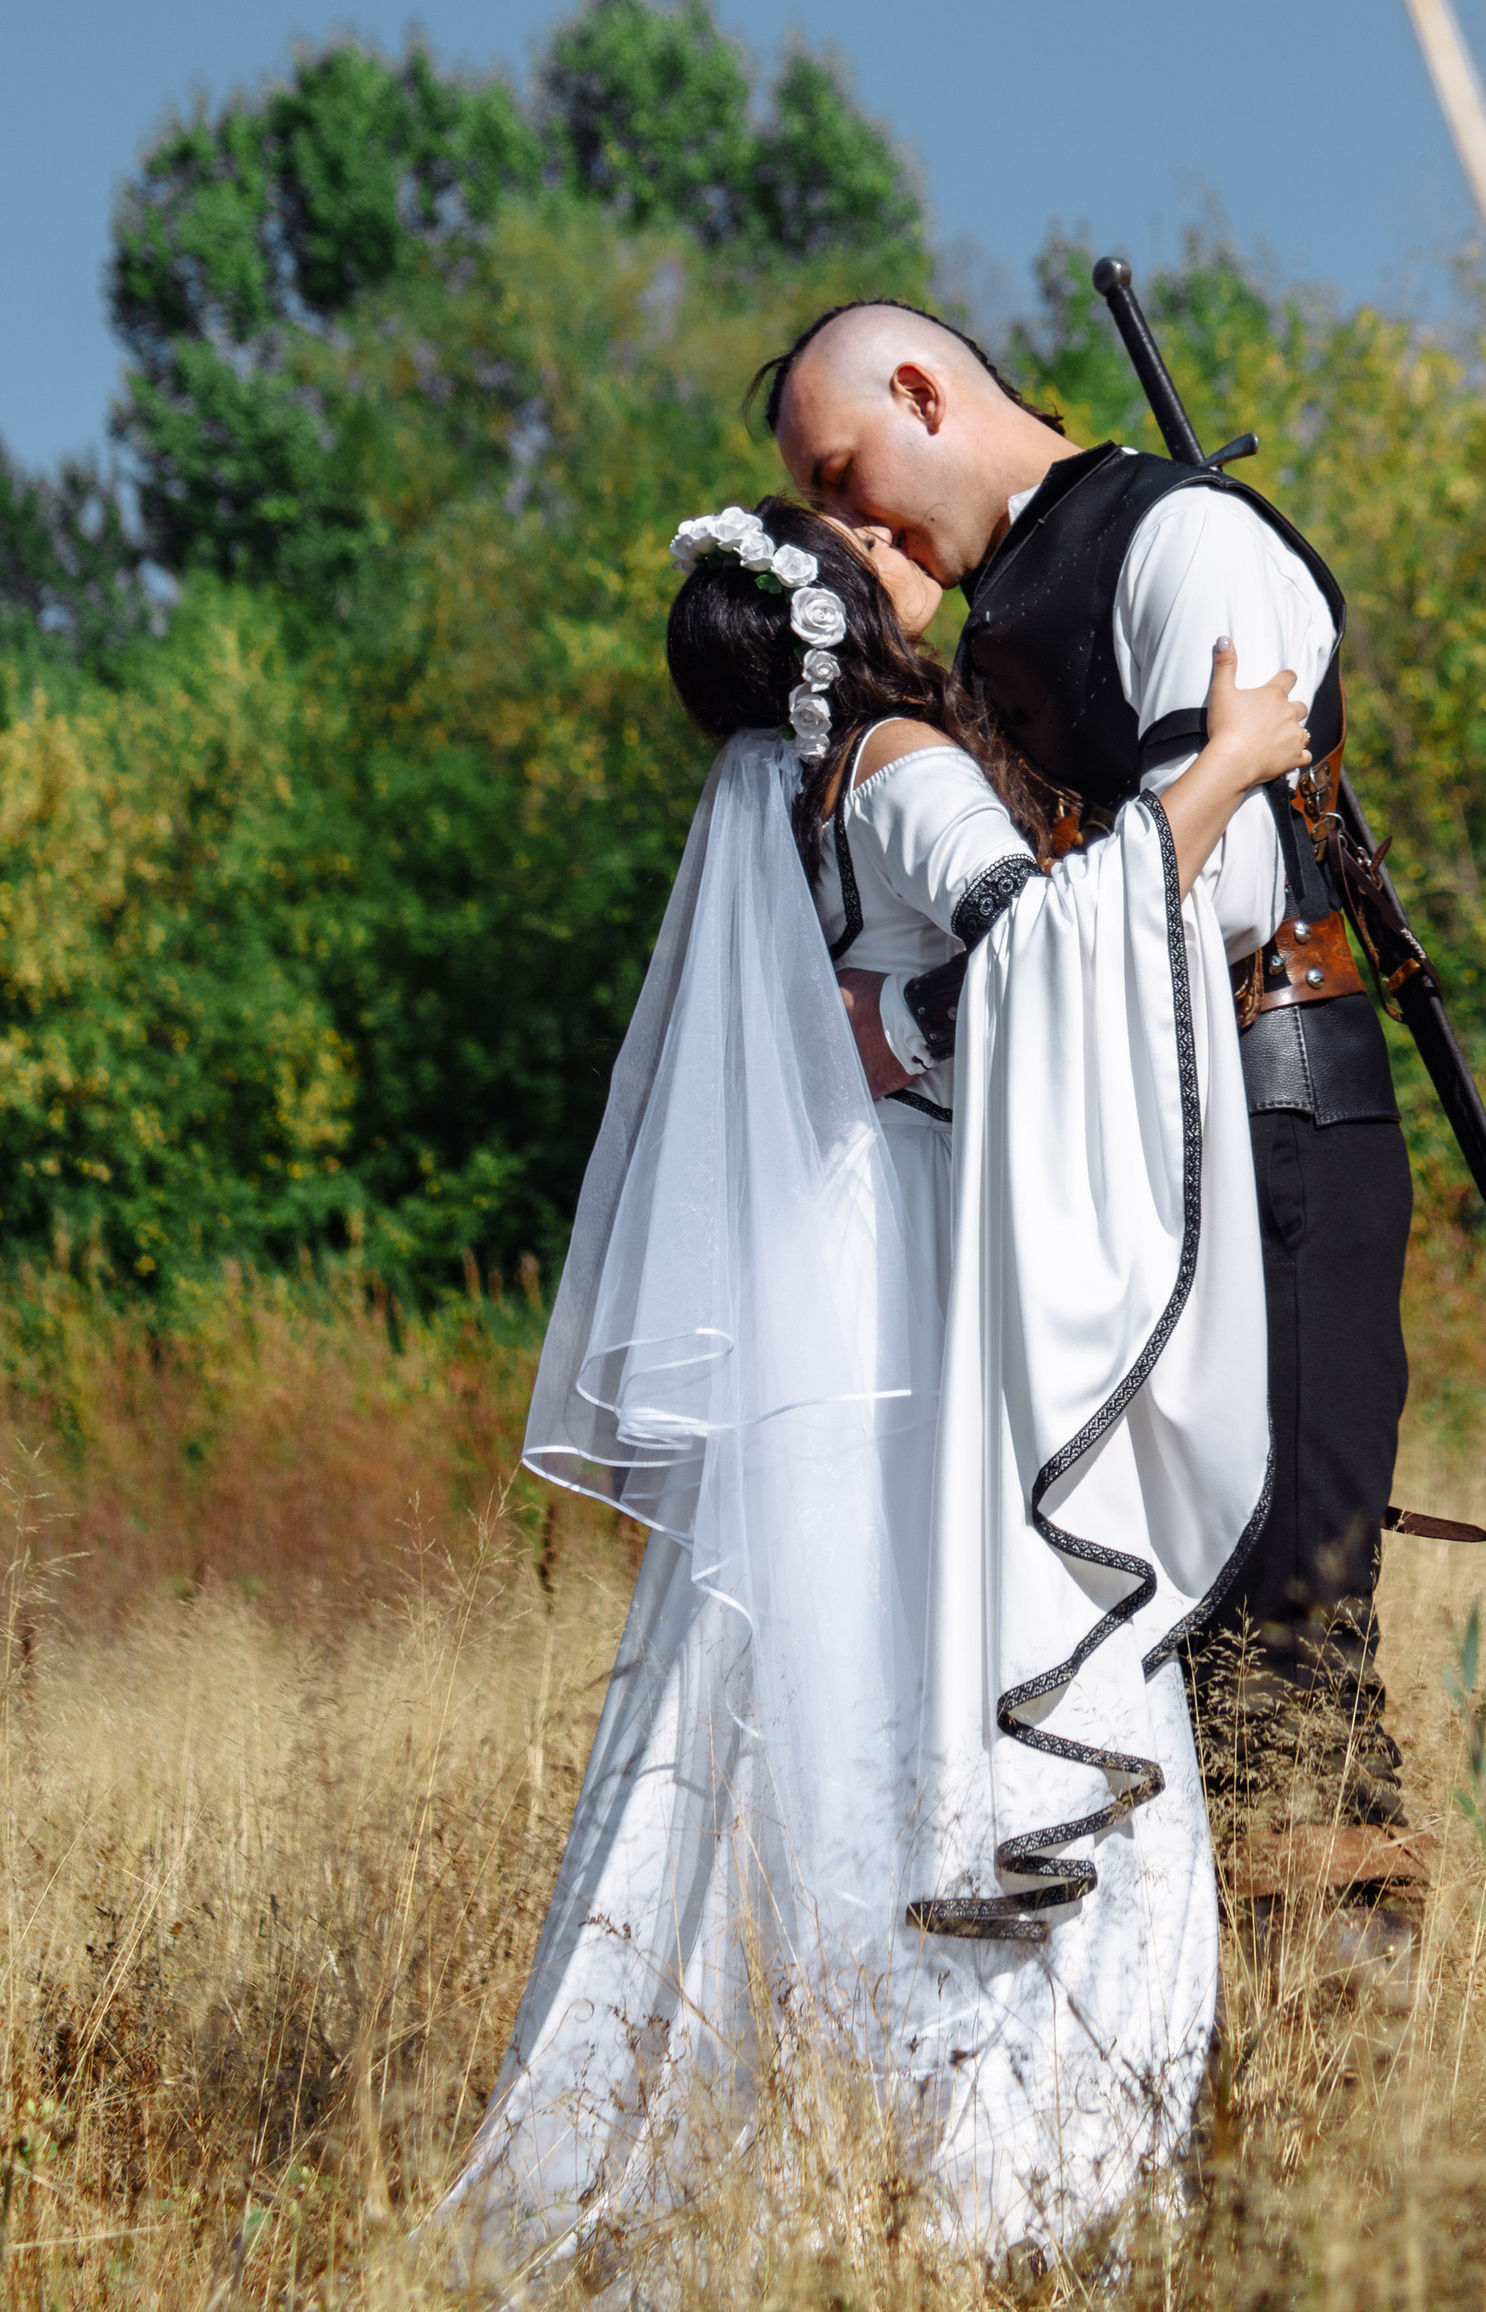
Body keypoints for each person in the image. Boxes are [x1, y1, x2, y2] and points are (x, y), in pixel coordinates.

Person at [447, 495, 1297, 2274]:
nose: (901, 542)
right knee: (976, 1649)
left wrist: (885, 1026)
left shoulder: (777, 793)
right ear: (846, 615)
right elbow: (1042, 952)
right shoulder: (897, 756)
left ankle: (831, 2122)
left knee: (834, 1687)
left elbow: (909, 992)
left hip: (831, 1269)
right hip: (923, 1266)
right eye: (860, 538)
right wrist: (1227, 770)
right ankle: (1006, 2157)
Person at [764, 301, 1417, 1845]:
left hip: (1271, 1112)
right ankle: (1232, 2064)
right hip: (1127, 1148)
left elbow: (1238, 879)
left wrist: (954, 999)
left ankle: (1357, 2048)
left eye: (846, 471)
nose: (845, 526)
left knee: (1290, 1627)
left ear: (922, 393)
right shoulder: (985, 628)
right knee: (1162, 1645)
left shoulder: (1180, 538)